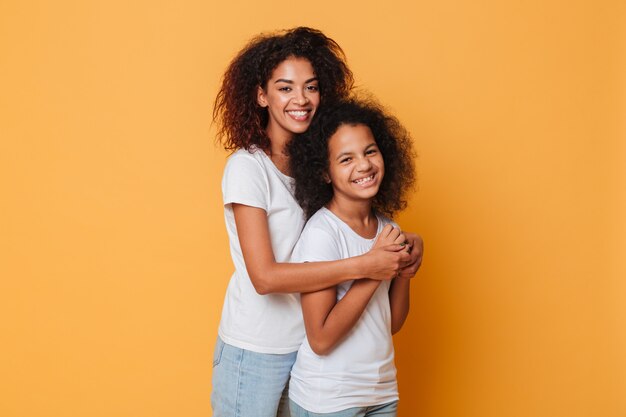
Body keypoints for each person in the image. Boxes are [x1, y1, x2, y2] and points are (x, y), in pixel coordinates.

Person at [211, 27, 423, 417]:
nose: (301, 99)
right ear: (261, 96)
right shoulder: (247, 168)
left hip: (307, 350)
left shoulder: (321, 170)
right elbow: (265, 277)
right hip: (255, 349)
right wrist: (368, 267)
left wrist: (404, 246)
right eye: (285, 88)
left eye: (311, 87)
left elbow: (351, 228)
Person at [286, 97, 417, 417]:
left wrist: (403, 269)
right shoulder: (323, 234)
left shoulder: (388, 227)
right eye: (346, 159)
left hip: (381, 392)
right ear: (325, 173)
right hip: (329, 399)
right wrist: (373, 269)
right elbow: (320, 338)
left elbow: (392, 323)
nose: (364, 165)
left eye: (370, 151)